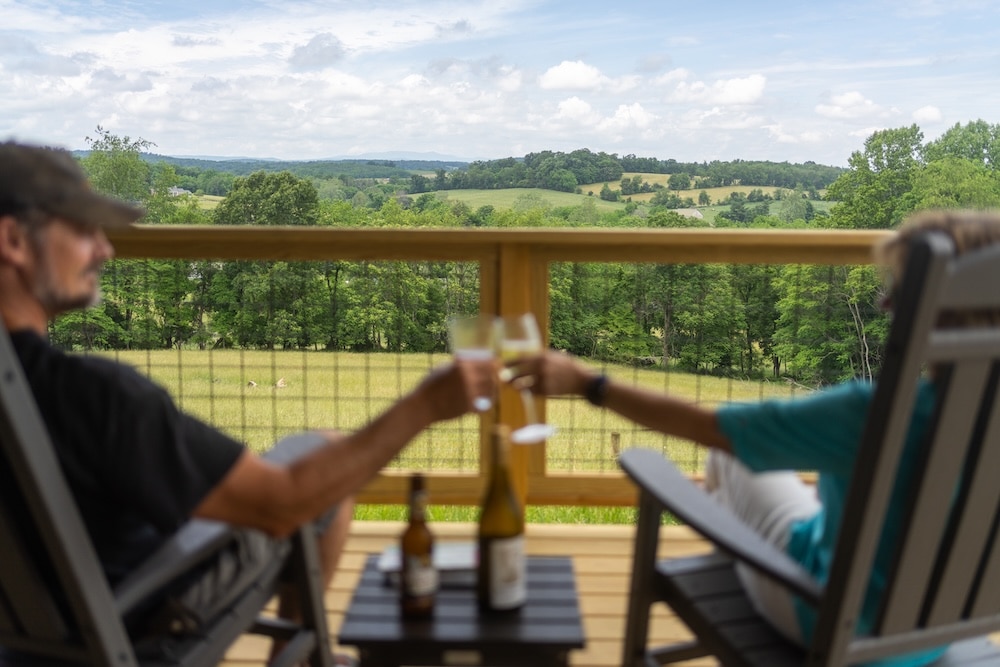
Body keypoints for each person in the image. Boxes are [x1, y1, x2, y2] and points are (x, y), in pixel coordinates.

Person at [0, 141, 497, 662]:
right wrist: (423, 405)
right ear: (12, 239)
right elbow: (280, 503)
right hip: (137, 617)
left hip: (25, 630)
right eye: (82, 230)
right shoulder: (91, 395)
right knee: (316, 463)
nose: (104, 249)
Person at [509, 210, 1000, 667]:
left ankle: (733, 571)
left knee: (730, 458)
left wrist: (587, 384)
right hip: (943, 627)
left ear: (938, 308)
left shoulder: (872, 413)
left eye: (899, 288)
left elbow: (707, 429)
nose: (885, 302)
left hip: (831, 626)